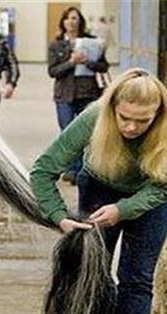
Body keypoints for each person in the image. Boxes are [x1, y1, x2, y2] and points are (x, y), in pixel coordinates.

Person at [30, 68, 167, 314]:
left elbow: (165, 186)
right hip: (100, 187)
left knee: (136, 280)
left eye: (142, 121)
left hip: (152, 195)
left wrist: (124, 210)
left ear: (158, 115)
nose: (131, 127)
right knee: (96, 277)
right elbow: (43, 170)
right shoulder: (92, 118)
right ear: (112, 107)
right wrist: (59, 217)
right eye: (124, 118)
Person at [48, 6, 109, 184]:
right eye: (67, 18)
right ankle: (71, 169)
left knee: (86, 133)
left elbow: (103, 67)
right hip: (64, 94)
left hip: (87, 93)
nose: (71, 22)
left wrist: (87, 62)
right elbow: (52, 71)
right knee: (68, 132)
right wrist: (71, 62)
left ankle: (81, 170)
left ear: (80, 21)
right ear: (63, 22)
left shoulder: (92, 42)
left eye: (74, 18)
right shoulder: (57, 45)